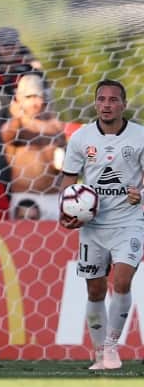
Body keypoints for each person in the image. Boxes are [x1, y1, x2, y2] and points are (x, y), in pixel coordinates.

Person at [58, 79, 144, 371]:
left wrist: (140, 195)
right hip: (93, 226)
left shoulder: (139, 136)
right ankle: (99, 353)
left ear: (123, 104)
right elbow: (69, 180)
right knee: (95, 291)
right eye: (102, 99)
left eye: (113, 100)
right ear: (96, 103)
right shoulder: (81, 138)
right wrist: (67, 210)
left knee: (121, 281)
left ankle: (111, 346)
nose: (107, 105)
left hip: (129, 222)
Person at [0, 73, 66, 219]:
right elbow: (6, 135)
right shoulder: (17, 124)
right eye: (28, 97)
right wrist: (17, 116)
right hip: (24, 197)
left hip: (54, 196)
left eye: (37, 96)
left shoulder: (55, 125)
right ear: (18, 99)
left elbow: (64, 159)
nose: (34, 102)